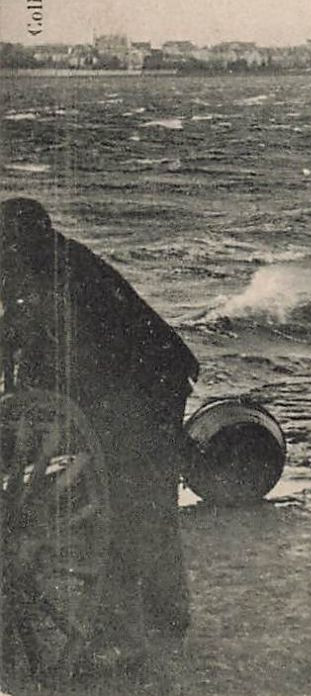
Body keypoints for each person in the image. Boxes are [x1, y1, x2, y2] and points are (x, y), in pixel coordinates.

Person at [0, 198, 198, 661]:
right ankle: (162, 616)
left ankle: (129, 635)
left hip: (148, 385)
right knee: (145, 500)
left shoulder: (63, 275)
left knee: (134, 500)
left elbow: (45, 351)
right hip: (126, 381)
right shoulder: (48, 262)